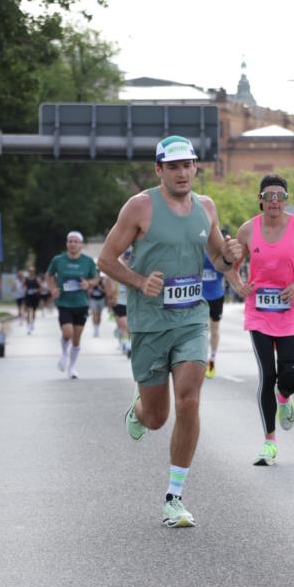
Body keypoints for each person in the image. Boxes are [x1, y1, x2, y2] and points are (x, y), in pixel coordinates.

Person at [98, 135, 243, 528]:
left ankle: (174, 497)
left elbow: (216, 257)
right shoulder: (140, 207)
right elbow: (106, 259)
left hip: (191, 318)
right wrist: (139, 280)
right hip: (149, 321)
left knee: (190, 398)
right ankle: (140, 408)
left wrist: (231, 258)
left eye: (188, 165)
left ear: (196, 167)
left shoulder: (206, 207)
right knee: (157, 417)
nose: (182, 173)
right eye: (173, 166)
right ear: (159, 170)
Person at [225, 176, 294, 466]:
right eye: (269, 195)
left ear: (286, 199)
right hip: (259, 311)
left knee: (288, 377)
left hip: (289, 311)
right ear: (260, 198)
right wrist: (239, 285)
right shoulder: (248, 229)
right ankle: (269, 443)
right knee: (267, 374)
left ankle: (285, 398)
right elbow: (230, 265)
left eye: (280, 195)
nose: (275, 200)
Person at [46, 231, 99, 379]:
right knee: (67, 333)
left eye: (76, 241)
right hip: (64, 302)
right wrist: (52, 289)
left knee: (76, 339)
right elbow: (49, 275)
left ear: (81, 245)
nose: (73, 243)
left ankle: (72, 367)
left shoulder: (87, 261)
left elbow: (96, 278)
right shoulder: (58, 260)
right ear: (67, 243)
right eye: (70, 241)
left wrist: (88, 283)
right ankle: (64, 354)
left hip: (81, 303)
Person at [202, 231, 227, 377]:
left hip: (216, 296)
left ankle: (211, 360)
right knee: (201, 330)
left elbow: (228, 269)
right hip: (199, 297)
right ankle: (200, 360)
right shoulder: (199, 251)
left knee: (214, 329)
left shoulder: (220, 254)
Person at [23, 269, 41, 333]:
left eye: (32, 272)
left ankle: (32, 323)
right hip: (28, 297)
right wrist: (25, 289)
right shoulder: (26, 279)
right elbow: (24, 286)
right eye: (30, 271)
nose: (31, 273)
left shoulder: (36, 279)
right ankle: (28, 326)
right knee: (28, 311)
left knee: (33, 311)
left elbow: (39, 287)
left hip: (34, 297)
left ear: (33, 272)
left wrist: (35, 290)